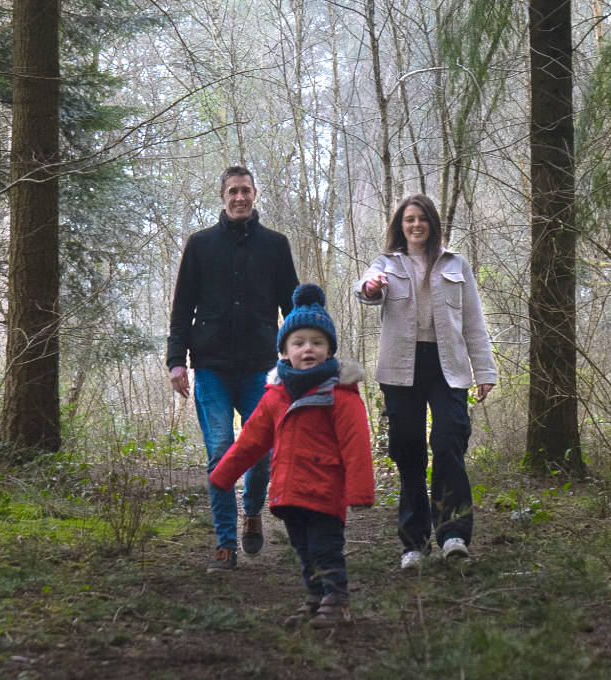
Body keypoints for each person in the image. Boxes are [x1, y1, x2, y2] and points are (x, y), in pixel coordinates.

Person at [210, 284, 374, 626]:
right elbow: (250, 441)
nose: (308, 349)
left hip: (326, 490)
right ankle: (315, 597)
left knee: (325, 548)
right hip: (289, 492)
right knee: (302, 549)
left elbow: (356, 444)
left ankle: (337, 599)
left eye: (317, 342)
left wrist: (359, 491)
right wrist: (223, 475)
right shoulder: (275, 395)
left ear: (329, 350)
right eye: (299, 343)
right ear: (285, 352)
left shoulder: (339, 394)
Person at [167, 165, 300, 573]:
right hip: (211, 368)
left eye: (245, 191)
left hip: (262, 368)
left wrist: (303, 356)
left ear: (255, 193)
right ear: (222, 196)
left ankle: (253, 511)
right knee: (221, 454)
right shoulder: (200, 245)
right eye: (232, 192)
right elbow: (181, 308)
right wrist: (176, 361)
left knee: (261, 454)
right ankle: (225, 545)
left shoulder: (276, 246)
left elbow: (293, 308)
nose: (239, 198)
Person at [354, 194, 497, 569]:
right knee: (408, 450)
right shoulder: (386, 263)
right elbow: (367, 289)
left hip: (447, 366)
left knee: (449, 440)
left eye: (422, 219)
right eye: (408, 220)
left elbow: (473, 323)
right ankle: (414, 543)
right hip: (400, 369)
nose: (415, 225)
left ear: (432, 224)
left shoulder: (456, 265)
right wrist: (371, 288)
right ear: (400, 226)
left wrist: (484, 372)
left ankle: (453, 535)